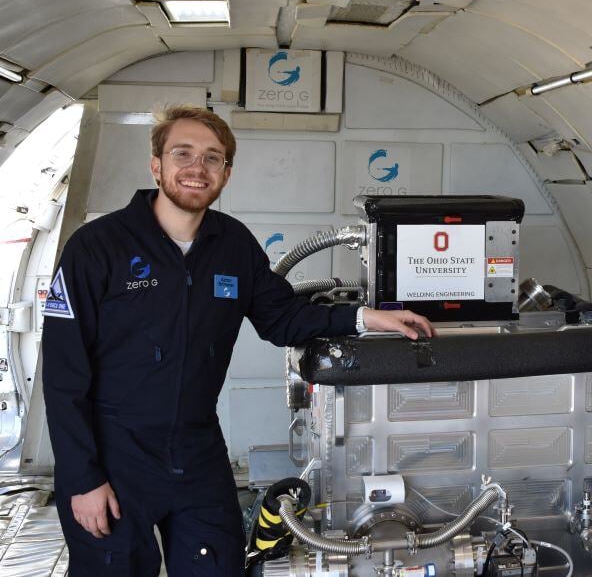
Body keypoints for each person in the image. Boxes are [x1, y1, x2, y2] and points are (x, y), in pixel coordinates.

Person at [41, 105, 435, 575]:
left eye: (213, 158)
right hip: (113, 450)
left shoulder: (232, 244)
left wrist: (366, 318)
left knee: (219, 565)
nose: (197, 168)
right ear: (156, 164)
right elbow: (64, 374)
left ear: (226, 173)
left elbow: (283, 318)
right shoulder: (97, 246)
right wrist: (83, 478)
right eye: (182, 153)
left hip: (196, 448)